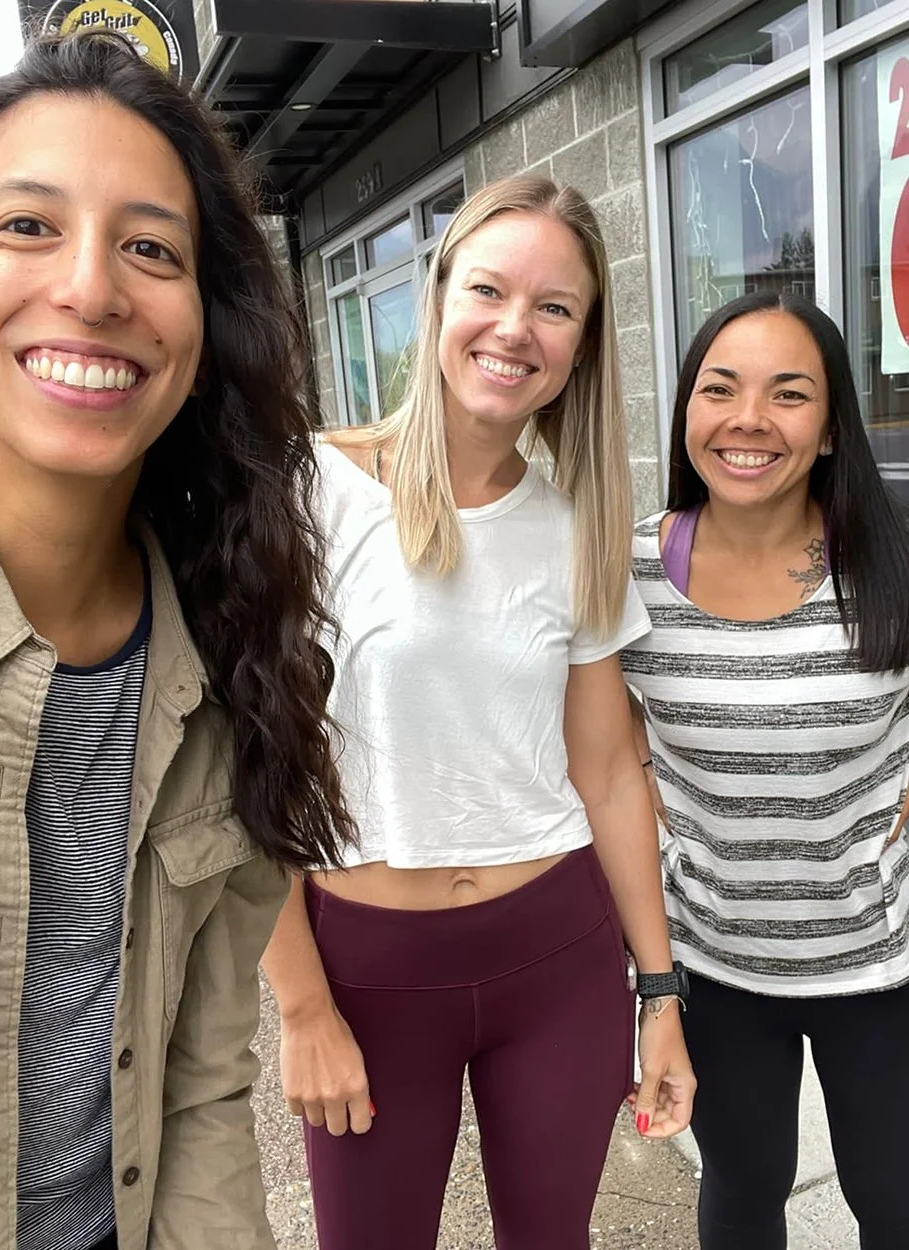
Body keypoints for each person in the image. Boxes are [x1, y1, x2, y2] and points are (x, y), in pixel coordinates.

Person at [0, 31, 353, 1250]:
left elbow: (204, 1083)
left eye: (151, 247)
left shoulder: (244, 657)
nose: (94, 289)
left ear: (201, 335)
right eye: (28, 227)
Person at [261, 174, 695, 1250]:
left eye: (555, 307)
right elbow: (249, 765)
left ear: (583, 345)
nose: (516, 328)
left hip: (556, 955)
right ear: (437, 295)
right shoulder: (308, 494)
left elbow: (607, 773)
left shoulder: (573, 529)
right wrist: (303, 1006)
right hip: (366, 967)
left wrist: (659, 990)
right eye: (490, 289)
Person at [621, 291, 909, 1250]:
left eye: (789, 394)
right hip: (717, 967)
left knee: (897, 1203)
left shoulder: (889, 564)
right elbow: (606, 773)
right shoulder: (631, 575)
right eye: (720, 389)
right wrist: (651, 989)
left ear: (829, 430)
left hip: (882, 965)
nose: (748, 420)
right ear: (687, 411)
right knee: (742, 1203)